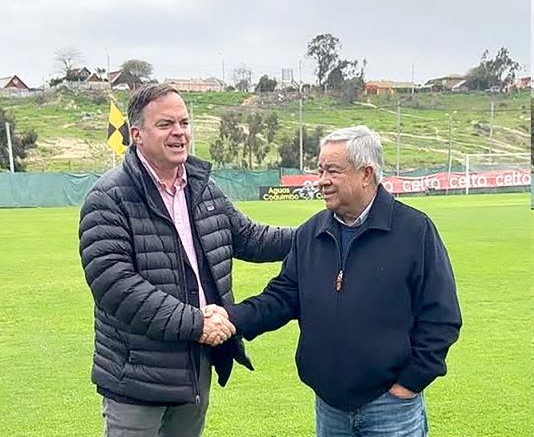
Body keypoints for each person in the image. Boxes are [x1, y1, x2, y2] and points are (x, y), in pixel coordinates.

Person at [78, 83, 294, 437]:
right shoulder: (109, 197)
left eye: (184, 122)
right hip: (137, 378)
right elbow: (116, 286)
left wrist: (318, 232)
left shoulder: (202, 188)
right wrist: (197, 323)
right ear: (137, 135)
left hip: (194, 369)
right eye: (165, 124)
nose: (179, 132)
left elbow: (250, 238)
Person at [217, 126, 462, 436]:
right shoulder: (311, 233)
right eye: (320, 170)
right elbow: (281, 298)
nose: (322, 180)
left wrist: (411, 382)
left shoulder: (415, 231)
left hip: (390, 406)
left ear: (366, 174)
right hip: (329, 407)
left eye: (333, 171)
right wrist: (231, 318)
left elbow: (442, 317)